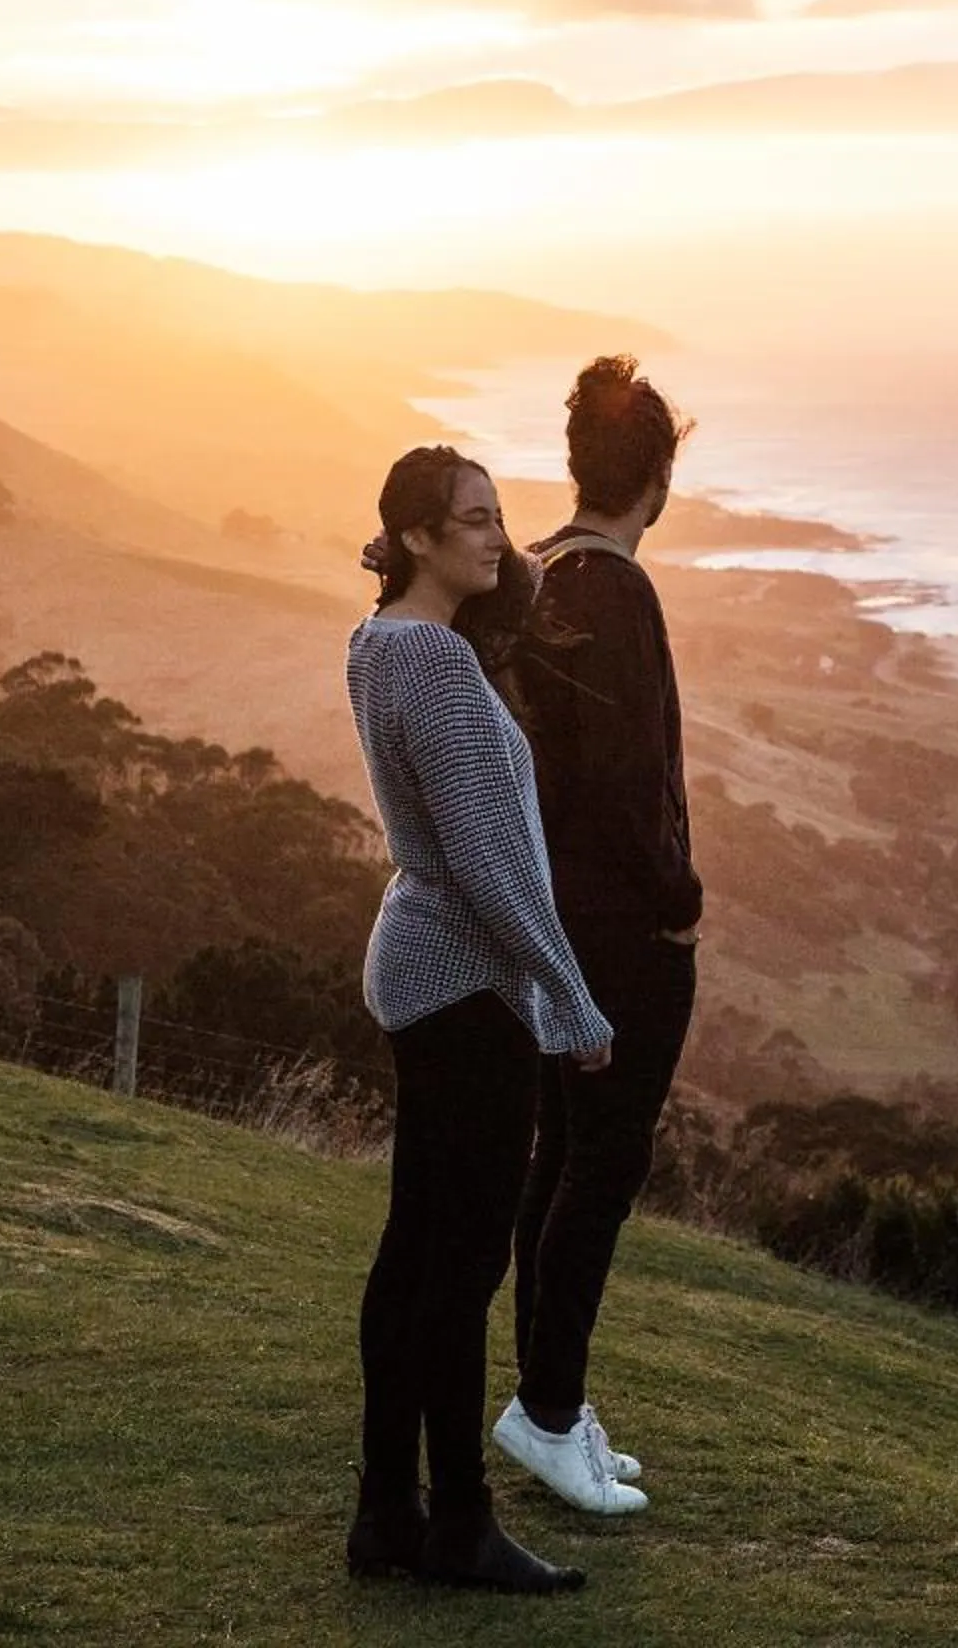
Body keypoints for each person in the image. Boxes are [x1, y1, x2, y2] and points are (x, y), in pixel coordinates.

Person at [343, 444, 616, 1594]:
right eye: (473, 520)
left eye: (500, 515)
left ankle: (385, 1513)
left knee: (414, 1255)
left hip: (423, 964)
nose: (497, 537)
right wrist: (573, 992)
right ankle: (456, 1519)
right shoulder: (439, 666)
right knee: (457, 1270)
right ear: (415, 536)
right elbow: (493, 864)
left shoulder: (375, 643)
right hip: (464, 983)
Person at [494, 357, 699, 1515]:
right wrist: (681, 894)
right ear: (659, 479)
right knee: (599, 1169)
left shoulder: (535, 581)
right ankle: (549, 1409)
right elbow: (628, 784)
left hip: (553, 923)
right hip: (619, 932)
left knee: (559, 1161)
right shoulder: (615, 590)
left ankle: (549, 1401)